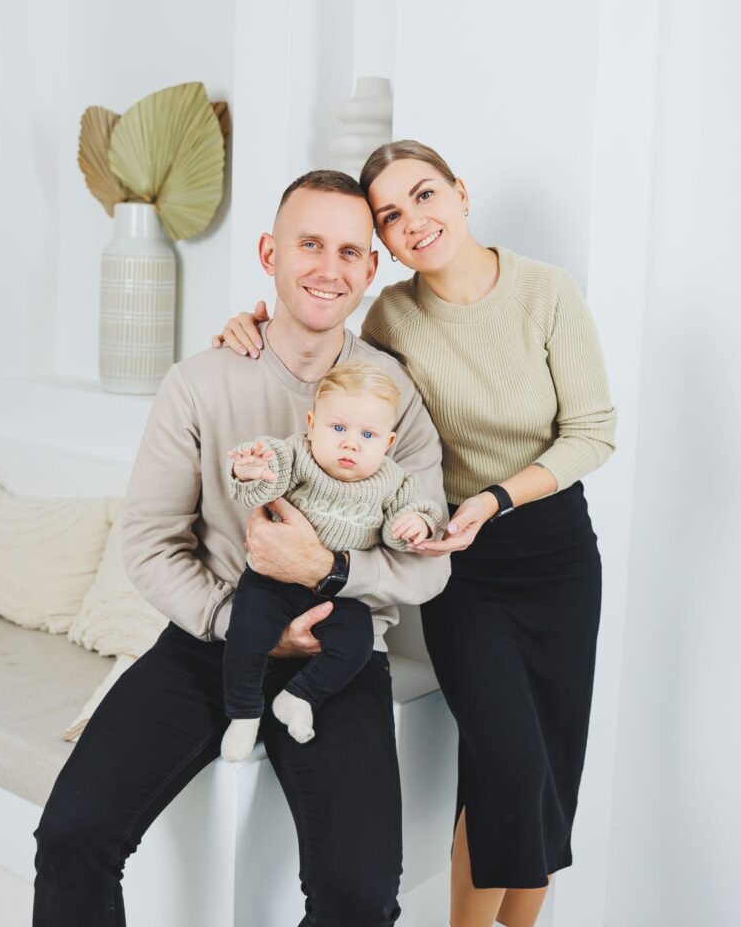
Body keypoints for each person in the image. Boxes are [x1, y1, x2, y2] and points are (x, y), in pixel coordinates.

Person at [32, 169, 450, 927]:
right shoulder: (200, 382)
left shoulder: (395, 398)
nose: (329, 268)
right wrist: (238, 623)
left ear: (370, 270)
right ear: (270, 252)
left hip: (342, 657)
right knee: (72, 835)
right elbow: (152, 541)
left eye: (350, 252)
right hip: (210, 642)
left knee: (359, 898)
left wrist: (330, 573)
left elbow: (430, 565)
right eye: (310, 244)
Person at [215, 140, 617, 927]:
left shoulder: (547, 292)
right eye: (391, 216)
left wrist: (495, 499)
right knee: (506, 760)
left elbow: (593, 433)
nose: (413, 222)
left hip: (556, 555)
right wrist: (256, 315)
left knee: (550, 770)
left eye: (425, 196)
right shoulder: (392, 313)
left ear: (461, 193)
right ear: (386, 242)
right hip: (459, 567)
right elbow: (329, 347)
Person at [221, 360, 443, 761]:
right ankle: (243, 713)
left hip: (336, 595)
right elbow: (260, 483)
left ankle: (299, 696)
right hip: (273, 582)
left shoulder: (395, 481)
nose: (350, 444)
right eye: (338, 428)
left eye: (368, 434)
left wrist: (416, 525)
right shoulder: (297, 455)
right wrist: (249, 469)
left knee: (357, 640)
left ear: (388, 443)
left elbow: (399, 531)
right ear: (311, 424)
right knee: (247, 627)